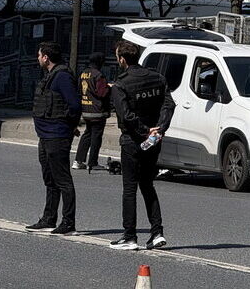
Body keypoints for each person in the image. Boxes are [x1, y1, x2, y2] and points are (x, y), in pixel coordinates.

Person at [109, 40, 175, 251]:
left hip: (133, 140)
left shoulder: (121, 84)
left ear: (122, 59)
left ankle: (130, 236)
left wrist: (145, 130)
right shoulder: (157, 77)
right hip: (154, 141)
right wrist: (159, 129)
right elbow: (169, 104)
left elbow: (126, 116)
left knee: (129, 188)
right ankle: (157, 233)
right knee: (147, 185)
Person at [25, 42, 81, 235]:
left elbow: (74, 105)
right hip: (45, 135)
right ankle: (49, 218)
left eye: (39, 55)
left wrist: (69, 125)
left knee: (63, 180)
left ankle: (68, 222)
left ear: (46, 57)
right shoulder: (51, 76)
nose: (37, 58)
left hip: (57, 135)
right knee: (50, 179)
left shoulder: (62, 76)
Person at [73, 52, 111, 171]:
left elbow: (79, 90)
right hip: (97, 111)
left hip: (86, 109)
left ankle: (78, 160)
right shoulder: (98, 75)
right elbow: (102, 93)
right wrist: (110, 87)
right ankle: (93, 162)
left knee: (87, 134)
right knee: (96, 137)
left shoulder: (83, 73)